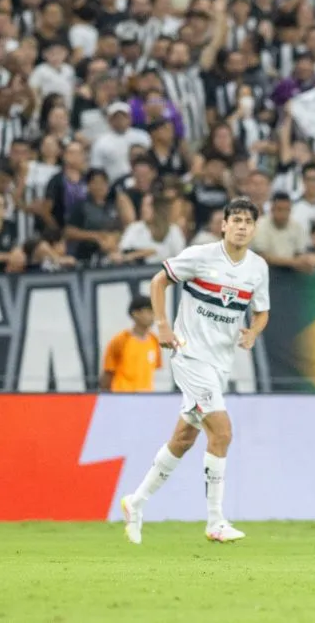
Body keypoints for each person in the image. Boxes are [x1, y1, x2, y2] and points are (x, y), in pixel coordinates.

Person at [119, 197, 270, 545]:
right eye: (236, 220)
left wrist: (253, 331)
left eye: (248, 220)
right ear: (224, 225)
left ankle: (136, 502)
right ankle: (216, 521)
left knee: (184, 439)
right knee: (222, 432)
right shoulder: (200, 256)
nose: (242, 226)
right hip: (189, 357)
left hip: (219, 364)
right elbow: (159, 281)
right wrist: (163, 326)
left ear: (254, 228)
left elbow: (261, 311)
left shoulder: (258, 268)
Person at [101, 295, 162, 392]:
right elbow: (108, 373)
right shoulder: (120, 340)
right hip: (122, 396)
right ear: (135, 313)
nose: (153, 316)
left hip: (146, 398)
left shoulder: (154, 341)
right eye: (149, 311)